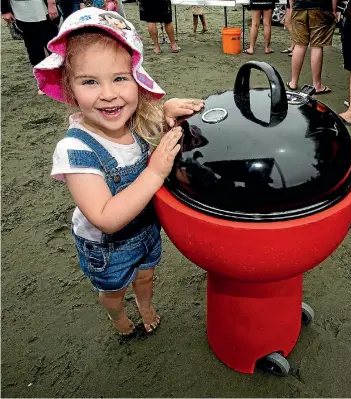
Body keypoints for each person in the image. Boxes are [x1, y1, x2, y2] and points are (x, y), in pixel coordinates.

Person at [33, 7, 204, 338]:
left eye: (120, 78)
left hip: (146, 229)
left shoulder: (130, 119)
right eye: (90, 82)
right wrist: (154, 174)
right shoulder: (75, 151)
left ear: (137, 81)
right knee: (113, 289)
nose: (108, 93)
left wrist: (166, 110)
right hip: (106, 248)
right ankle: (117, 316)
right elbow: (106, 216)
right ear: (70, 88)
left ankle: (146, 304)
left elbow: (151, 121)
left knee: (146, 275)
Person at [1, 0, 59, 94]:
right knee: (33, 47)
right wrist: (4, 10)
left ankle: (61, 76)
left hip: (42, 8)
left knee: (51, 43)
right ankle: (43, 81)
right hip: (21, 11)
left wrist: (51, 4)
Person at [287, 0, 337, 93]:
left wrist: (292, 7)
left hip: (299, 7)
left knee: (299, 45)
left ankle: (293, 82)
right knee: (316, 46)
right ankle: (317, 85)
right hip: (320, 7)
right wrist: (333, 9)